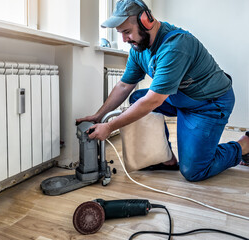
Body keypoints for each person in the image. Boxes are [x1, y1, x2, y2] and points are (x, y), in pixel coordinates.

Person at [76, 0, 249, 181]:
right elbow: (124, 85)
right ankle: (166, 158)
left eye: (127, 32)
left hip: (209, 104)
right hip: (181, 98)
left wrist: (110, 126)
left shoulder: (176, 45)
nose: (124, 40)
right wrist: (99, 116)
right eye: (120, 34)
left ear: (146, 21)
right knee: (137, 98)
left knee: (194, 171)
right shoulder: (138, 48)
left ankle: (244, 145)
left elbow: (153, 101)